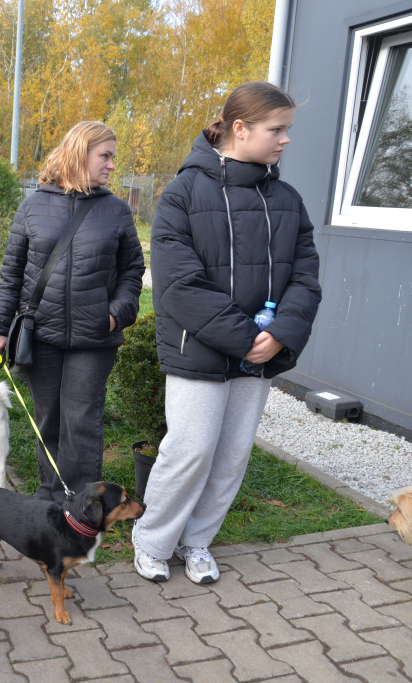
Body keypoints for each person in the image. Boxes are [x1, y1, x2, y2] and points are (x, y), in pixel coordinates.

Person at [132, 81, 321, 585]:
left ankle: (196, 541)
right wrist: (247, 338)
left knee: (232, 455)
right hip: (199, 350)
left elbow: (305, 276)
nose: (285, 140)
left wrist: (281, 333)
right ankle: (151, 540)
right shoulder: (183, 194)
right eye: (276, 130)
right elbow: (179, 285)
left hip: (260, 352)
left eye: (286, 130)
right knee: (191, 449)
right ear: (240, 128)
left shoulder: (287, 200)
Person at [0, 121, 145, 501]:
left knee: (81, 423)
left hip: (95, 338)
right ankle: (51, 499)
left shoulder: (116, 211)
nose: (111, 165)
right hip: (41, 335)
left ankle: (80, 508)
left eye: (112, 157)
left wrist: (115, 313)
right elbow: (13, 273)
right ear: (79, 153)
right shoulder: (33, 206)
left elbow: (132, 271)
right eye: (105, 156)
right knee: (49, 420)